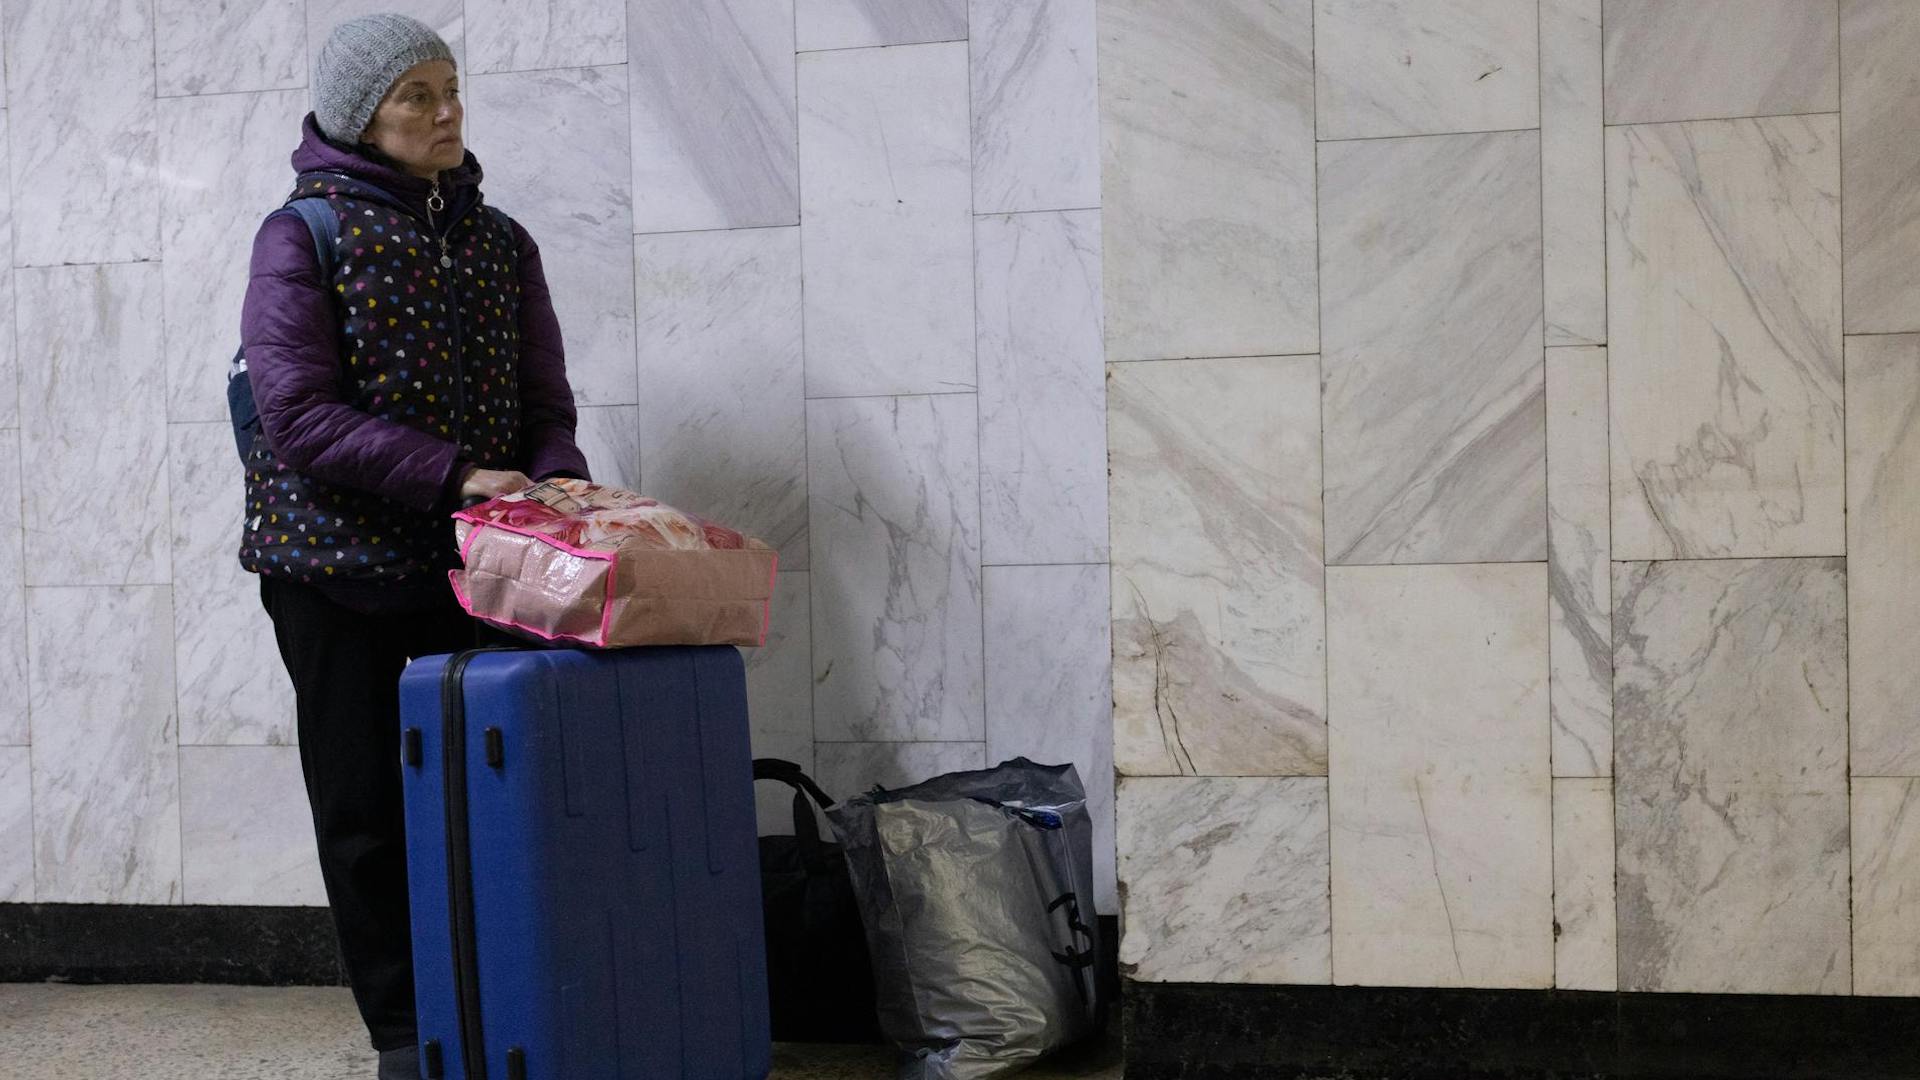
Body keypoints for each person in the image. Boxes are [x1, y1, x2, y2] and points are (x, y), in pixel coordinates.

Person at [237, 14, 590, 1079]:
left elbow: (544, 398)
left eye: (451, 89)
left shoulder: (500, 240)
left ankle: (506, 1002)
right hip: (330, 570)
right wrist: (456, 472)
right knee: (365, 816)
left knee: (493, 795)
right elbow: (296, 414)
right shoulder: (299, 236)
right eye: (417, 97)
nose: (446, 113)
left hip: (470, 565)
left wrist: (559, 473)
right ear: (363, 118)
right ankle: (404, 1037)